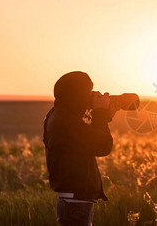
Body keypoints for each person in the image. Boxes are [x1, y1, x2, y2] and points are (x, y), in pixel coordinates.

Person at [43, 71, 121, 226]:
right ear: (77, 94)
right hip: (75, 202)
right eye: (88, 91)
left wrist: (104, 116)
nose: (91, 96)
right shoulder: (66, 121)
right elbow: (103, 145)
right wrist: (99, 112)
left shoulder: (58, 114)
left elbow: (85, 139)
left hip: (73, 200)